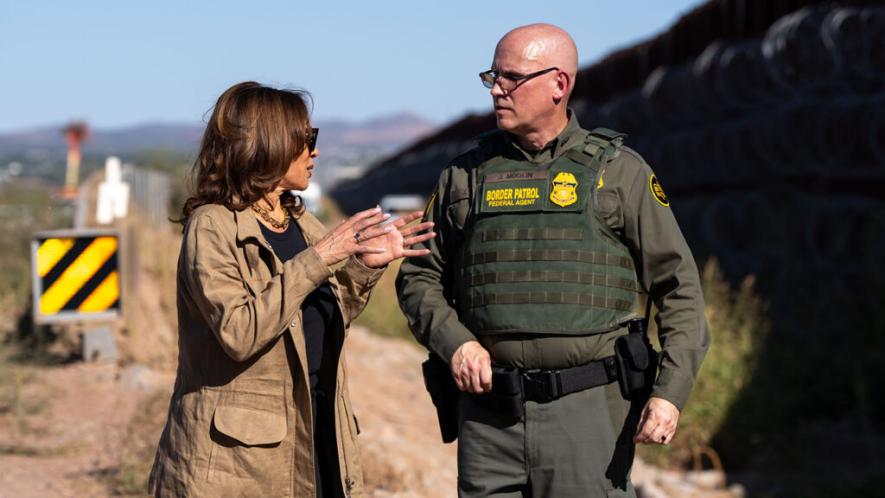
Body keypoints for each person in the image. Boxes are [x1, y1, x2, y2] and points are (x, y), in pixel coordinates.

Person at [396, 24, 710, 497]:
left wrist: (669, 393)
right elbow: (419, 274)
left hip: (586, 417)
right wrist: (456, 343)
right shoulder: (464, 177)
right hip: (489, 415)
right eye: (492, 77)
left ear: (559, 84)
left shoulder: (619, 174)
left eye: (512, 77)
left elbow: (678, 286)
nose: (497, 89)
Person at [148, 81, 434, 498]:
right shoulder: (213, 226)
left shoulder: (299, 222)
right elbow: (240, 332)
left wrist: (361, 268)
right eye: (306, 139)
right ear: (269, 144)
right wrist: (320, 257)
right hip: (239, 463)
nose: (314, 151)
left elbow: (320, 319)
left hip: (316, 434)